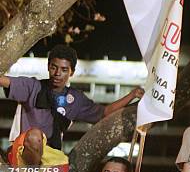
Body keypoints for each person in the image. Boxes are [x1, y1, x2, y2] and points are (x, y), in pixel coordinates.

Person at [0, 45, 144, 162]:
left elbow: (104, 113)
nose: (57, 73)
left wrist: (132, 95)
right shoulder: (32, 86)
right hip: (23, 152)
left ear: (72, 72)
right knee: (35, 136)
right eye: (53, 67)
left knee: (62, 164)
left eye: (64, 70)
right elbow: (5, 81)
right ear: (48, 67)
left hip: (51, 156)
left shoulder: (75, 99)